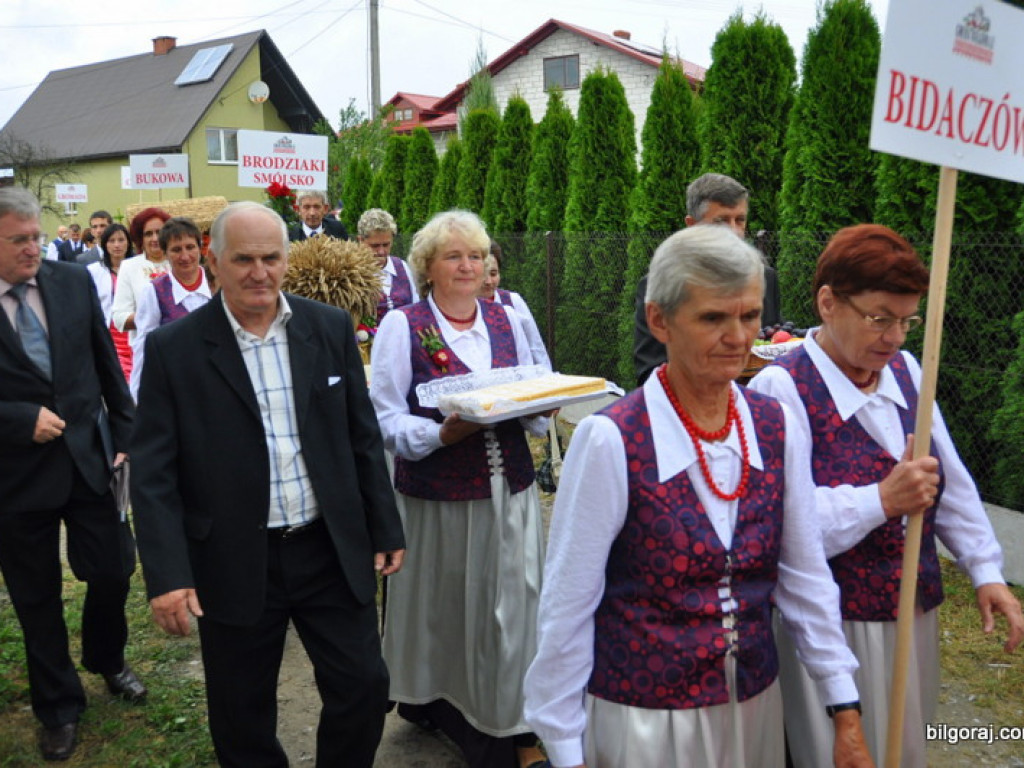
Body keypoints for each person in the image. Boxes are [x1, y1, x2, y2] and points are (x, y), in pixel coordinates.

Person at [524, 225, 874, 768]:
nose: (738, 336)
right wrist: (566, 749)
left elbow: (804, 576)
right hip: (646, 722)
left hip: (754, 710)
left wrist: (843, 703)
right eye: (713, 317)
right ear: (659, 319)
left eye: (750, 315)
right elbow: (567, 608)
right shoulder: (612, 439)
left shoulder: (775, 423)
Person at [130, 201, 405, 768]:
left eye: (272, 258)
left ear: (288, 258)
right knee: (240, 711)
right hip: (232, 553)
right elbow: (153, 473)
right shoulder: (174, 350)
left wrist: (384, 524)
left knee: (363, 686)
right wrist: (168, 574)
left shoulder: (327, 329)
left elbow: (360, 438)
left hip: (327, 545)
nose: (260, 272)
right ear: (214, 260)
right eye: (244, 259)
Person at [747, 224, 1024, 767]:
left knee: (906, 748)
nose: (895, 336)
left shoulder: (906, 372)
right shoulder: (782, 389)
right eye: (880, 318)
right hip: (832, 623)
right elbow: (780, 527)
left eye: (906, 321)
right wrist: (880, 500)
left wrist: (985, 569)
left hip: (911, 612)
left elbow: (950, 482)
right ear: (828, 302)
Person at [369, 209, 550, 768]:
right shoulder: (404, 324)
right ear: (428, 266)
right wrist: (440, 434)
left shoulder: (510, 318)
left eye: (476, 255)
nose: (469, 265)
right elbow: (383, 416)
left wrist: (539, 405)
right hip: (439, 499)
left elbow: (539, 387)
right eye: (454, 256)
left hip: (511, 490)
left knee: (515, 605)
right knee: (448, 610)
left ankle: (516, 724)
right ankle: (443, 704)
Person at [0, 187, 144, 763]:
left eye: (36, 237)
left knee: (113, 567)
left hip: (90, 457)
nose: (33, 249)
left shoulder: (70, 281)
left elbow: (104, 360)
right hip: (15, 478)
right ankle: (58, 707)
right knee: (36, 597)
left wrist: (126, 437)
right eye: (18, 241)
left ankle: (107, 658)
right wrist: (15, 420)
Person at [633, 173, 782, 386]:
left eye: (740, 220)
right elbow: (649, 372)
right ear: (692, 225)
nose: (734, 231)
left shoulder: (766, 278)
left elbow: (771, 342)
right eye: (720, 221)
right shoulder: (659, 284)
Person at [129, 217, 212, 401]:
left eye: (190, 247)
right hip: (175, 387)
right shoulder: (155, 291)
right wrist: (138, 397)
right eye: (176, 249)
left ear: (201, 248)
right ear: (165, 253)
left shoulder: (218, 285)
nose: (185, 256)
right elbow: (144, 345)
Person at [480, 243, 551, 370]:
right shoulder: (462, 309)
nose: (488, 281)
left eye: (493, 273)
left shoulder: (512, 301)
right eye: (482, 274)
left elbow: (536, 347)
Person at [110, 207, 171, 341]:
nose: (155, 238)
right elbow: (119, 318)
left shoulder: (179, 263)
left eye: (159, 232)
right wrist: (152, 316)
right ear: (140, 239)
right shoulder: (129, 267)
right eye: (148, 234)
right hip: (146, 346)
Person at [87, 222, 135, 382]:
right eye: (112, 241)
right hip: (111, 335)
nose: (117, 245)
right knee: (120, 378)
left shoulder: (138, 268)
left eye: (121, 240)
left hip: (134, 330)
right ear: (104, 244)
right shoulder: (94, 271)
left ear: (128, 242)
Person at [357, 207, 418, 325]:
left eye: (386, 244)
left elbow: (416, 306)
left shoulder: (403, 267)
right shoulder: (353, 274)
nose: (381, 251)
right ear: (360, 240)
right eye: (375, 246)